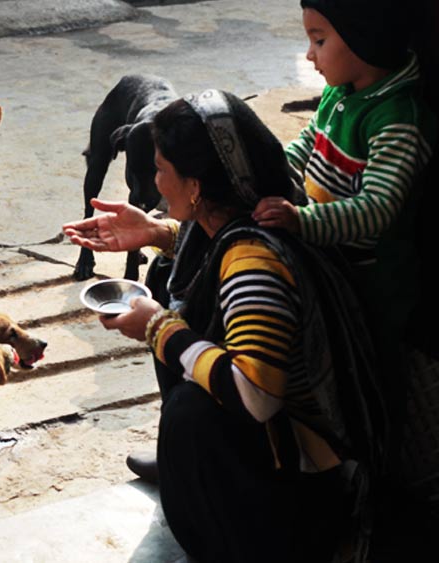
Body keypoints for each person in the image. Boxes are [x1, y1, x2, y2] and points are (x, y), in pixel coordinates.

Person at [63, 90, 385, 563]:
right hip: (283, 455)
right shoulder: (243, 213)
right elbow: (203, 251)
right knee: (162, 274)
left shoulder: (253, 261)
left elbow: (257, 396)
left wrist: (159, 329)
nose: (154, 183)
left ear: (195, 185)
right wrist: (154, 233)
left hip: (303, 491)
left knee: (191, 412)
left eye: (161, 171)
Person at [251, 0, 437, 492]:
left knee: (365, 384)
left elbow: (376, 209)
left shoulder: (398, 117)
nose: (310, 55)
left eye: (319, 40)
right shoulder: (340, 94)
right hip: (329, 258)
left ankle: (369, 475)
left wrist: (300, 221)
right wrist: (268, 178)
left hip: (371, 285)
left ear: (365, 37)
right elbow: (306, 145)